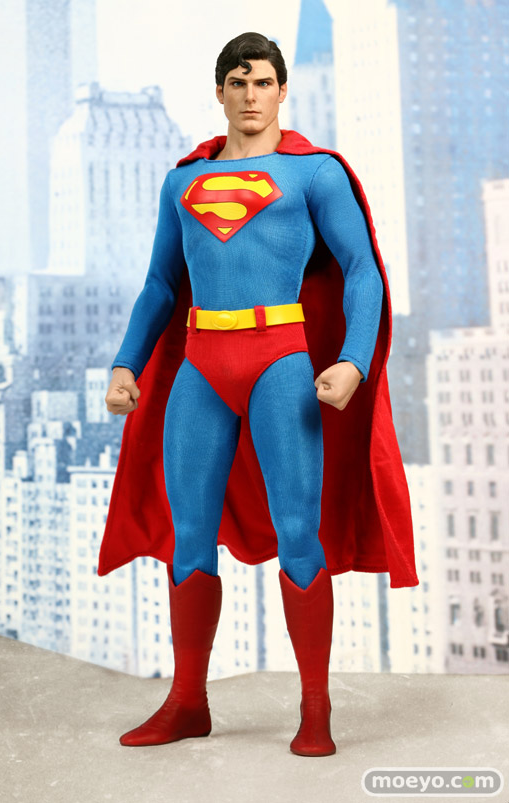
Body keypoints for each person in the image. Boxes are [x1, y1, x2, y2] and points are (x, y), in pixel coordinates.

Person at [101, 32, 418, 757]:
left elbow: (361, 269)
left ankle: (315, 709)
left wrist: (353, 360)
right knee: (188, 533)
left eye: (264, 81)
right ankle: (187, 701)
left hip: (280, 360)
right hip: (201, 366)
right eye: (238, 82)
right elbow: (160, 284)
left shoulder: (314, 173)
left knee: (299, 532)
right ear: (219, 92)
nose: (251, 94)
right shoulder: (182, 182)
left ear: (282, 91)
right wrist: (126, 363)